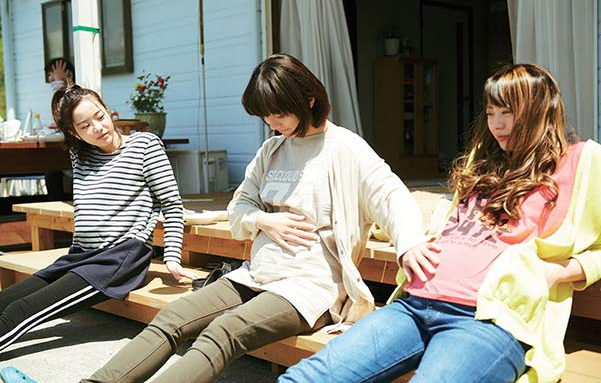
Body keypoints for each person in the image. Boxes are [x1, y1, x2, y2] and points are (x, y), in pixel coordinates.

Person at [82, 53, 424, 383]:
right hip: (258, 274)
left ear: (308, 99)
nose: (271, 124)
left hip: (309, 288)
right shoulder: (272, 150)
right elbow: (239, 206)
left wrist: (409, 245)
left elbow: (392, 196)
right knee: (172, 317)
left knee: (224, 332)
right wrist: (263, 220)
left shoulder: (346, 149)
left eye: (278, 114)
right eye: (265, 116)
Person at [279, 63, 601, 383]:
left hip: (486, 318)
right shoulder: (484, 162)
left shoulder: (580, 160)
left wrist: (559, 272)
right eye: (490, 113)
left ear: (540, 110)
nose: (496, 125)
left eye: (507, 112)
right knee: (302, 379)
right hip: (414, 304)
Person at [0, 85, 198, 354]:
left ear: (108, 110)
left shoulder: (145, 145)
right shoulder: (81, 155)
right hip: (81, 255)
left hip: (118, 258)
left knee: (21, 310)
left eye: (100, 116)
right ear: (74, 133)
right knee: (6, 299)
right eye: (85, 125)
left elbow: (172, 204)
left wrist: (172, 256)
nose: (98, 127)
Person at [44, 57, 77, 200]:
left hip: (76, 153)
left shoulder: (76, 93)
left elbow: (62, 107)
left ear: (68, 74)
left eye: (54, 74)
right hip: (63, 153)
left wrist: (60, 81)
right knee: (50, 170)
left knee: (52, 170)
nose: (51, 79)